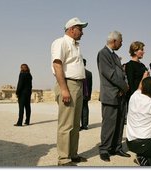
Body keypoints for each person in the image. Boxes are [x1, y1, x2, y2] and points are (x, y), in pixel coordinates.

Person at [51, 17, 88, 166]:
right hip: (68, 84)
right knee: (66, 124)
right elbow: (57, 65)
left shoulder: (75, 45)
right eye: (80, 29)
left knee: (74, 123)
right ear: (72, 29)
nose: (82, 32)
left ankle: (73, 154)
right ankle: (64, 159)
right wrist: (64, 89)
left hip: (77, 85)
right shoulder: (61, 42)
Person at [97, 31, 130, 162]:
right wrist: (124, 86)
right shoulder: (103, 54)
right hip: (110, 95)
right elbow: (110, 74)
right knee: (109, 124)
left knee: (120, 122)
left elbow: (122, 74)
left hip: (120, 95)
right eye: (121, 41)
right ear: (114, 41)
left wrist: (124, 87)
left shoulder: (115, 56)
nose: (122, 44)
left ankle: (116, 147)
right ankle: (104, 149)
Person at [80, 58, 92, 130]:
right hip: (86, 94)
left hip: (79, 94)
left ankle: (78, 126)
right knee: (85, 109)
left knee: (78, 110)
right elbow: (90, 85)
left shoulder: (77, 73)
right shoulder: (89, 73)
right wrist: (89, 95)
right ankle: (85, 125)